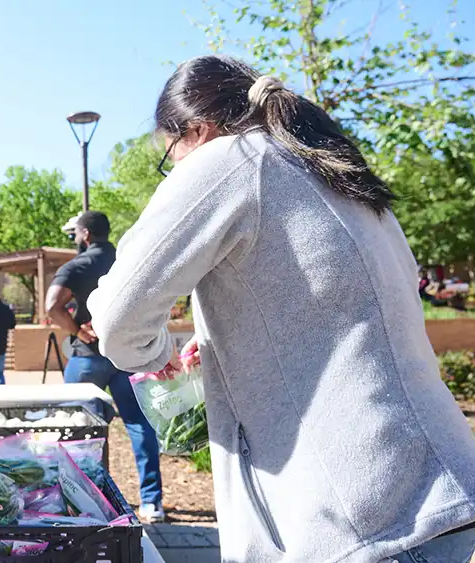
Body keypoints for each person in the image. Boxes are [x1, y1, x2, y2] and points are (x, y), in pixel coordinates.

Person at [87, 54, 475, 562]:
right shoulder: (337, 174)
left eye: (169, 157)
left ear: (195, 130)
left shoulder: (229, 159)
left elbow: (116, 319)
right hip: (437, 491)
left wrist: (155, 353)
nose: (175, 171)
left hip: (361, 517)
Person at [45, 210, 165, 522]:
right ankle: (152, 503)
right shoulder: (129, 261)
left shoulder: (78, 265)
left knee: (75, 428)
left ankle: (81, 500)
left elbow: (51, 306)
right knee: (140, 425)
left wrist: (76, 330)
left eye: (76, 235)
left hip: (88, 357)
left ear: (85, 234)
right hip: (129, 357)